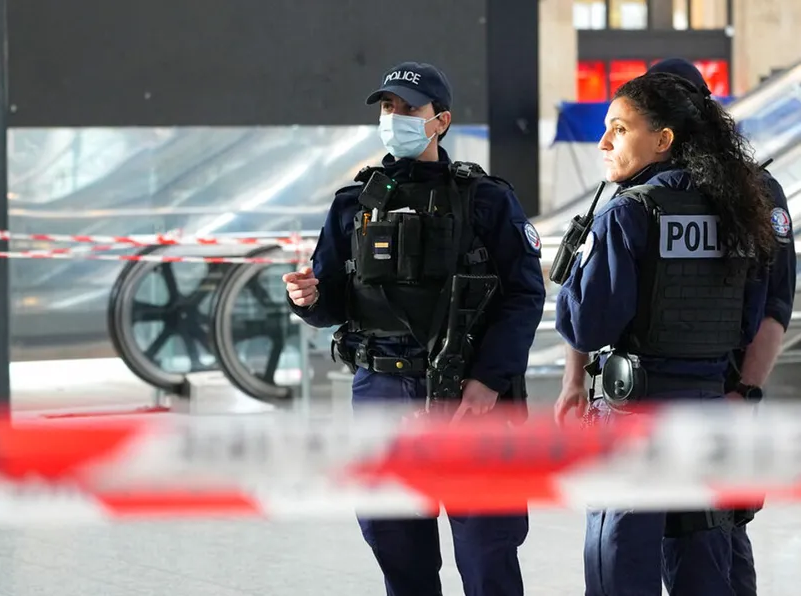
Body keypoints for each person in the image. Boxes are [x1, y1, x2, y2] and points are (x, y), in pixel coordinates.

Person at [283, 61, 546, 596]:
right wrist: (308, 299)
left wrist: (489, 380)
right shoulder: (353, 204)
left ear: (440, 120)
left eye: (409, 109)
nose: (394, 117)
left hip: (471, 396)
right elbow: (335, 297)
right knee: (395, 545)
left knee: (487, 550)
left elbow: (524, 296)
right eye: (387, 107)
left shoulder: (487, 200)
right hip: (381, 392)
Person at [552, 71, 776, 595]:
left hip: (635, 418)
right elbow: (752, 317)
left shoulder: (629, 213)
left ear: (662, 139)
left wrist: (573, 279)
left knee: (619, 570)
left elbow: (588, 323)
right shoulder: (739, 211)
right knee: (704, 568)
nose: (605, 142)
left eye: (619, 128)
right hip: (710, 413)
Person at [644, 58, 797, 596]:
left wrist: (745, 390)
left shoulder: (756, 191)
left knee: (716, 533)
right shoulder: (642, 192)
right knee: (674, 535)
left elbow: (776, 304)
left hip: (722, 389)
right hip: (655, 396)